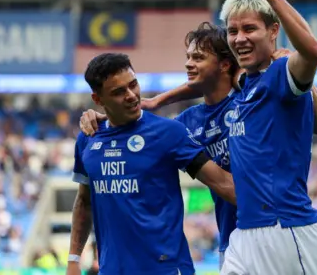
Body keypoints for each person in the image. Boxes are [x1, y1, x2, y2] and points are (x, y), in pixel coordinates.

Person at [79, 22, 317, 269]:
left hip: (278, 227)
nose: (189, 64)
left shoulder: (254, 100)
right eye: (189, 57)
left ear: (226, 65)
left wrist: (296, 76)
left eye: (198, 57)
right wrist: (106, 119)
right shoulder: (186, 124)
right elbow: (146, 134)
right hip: (231, 238)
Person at [67, 53, 236, 275]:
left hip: (167, 269)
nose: (131, 95)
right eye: (118, 92)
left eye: (133, 85)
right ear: (98, 99)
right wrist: (73, 260)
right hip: (112, 270)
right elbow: (84, 202)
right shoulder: (88, 138)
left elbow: (222, 182)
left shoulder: (168, 132)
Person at [216, 0, 317, 275]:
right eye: (233, 31)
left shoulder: (281, 72)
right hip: (245, 231)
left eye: (250, 28)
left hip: (287, 229)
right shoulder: (246, 88)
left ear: (274, 30)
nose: (239, 38)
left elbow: (312, 51)